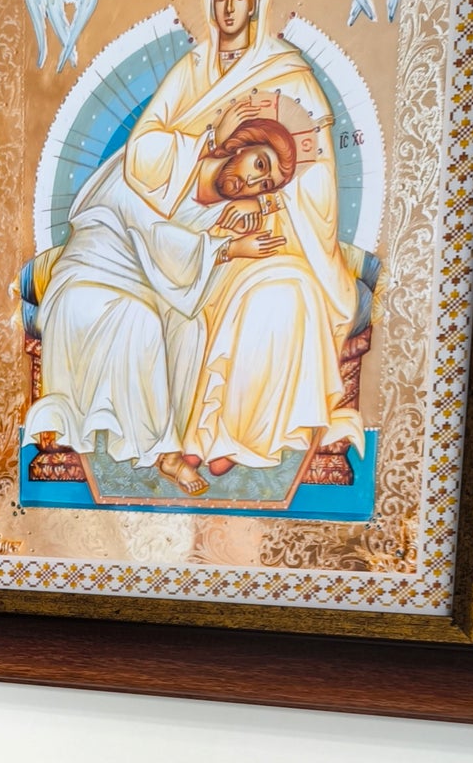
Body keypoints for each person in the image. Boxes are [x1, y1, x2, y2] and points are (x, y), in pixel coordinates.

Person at [125, 0, 362, 483]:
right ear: (209, 3)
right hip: (203, 229)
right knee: (207, 303)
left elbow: (318, 180)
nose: (229, 7)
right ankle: (202, 432)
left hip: (283, 235)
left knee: (288, 296)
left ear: (257, 3)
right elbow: (142, 151)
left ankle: (240, 436)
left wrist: (270, 197)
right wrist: (210, 139)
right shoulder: (190, 71)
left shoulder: (290, 75)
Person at [23, 117, 299, 488]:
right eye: (259, 164)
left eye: (264, 183)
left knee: (190, 327)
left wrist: (258, 205)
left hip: (145, 283)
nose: (252, 181)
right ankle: (162, 450)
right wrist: (227, 248)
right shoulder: (166, 159)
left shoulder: (225, 207)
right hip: (94, 270)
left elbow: (181, 276)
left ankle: (174, 445)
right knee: (142, 321)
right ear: (240, 145)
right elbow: (148, 230)